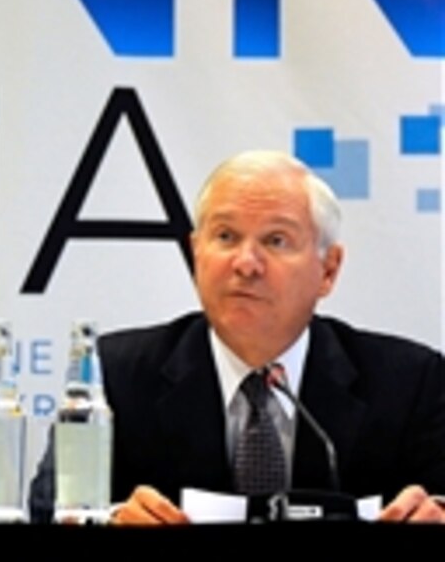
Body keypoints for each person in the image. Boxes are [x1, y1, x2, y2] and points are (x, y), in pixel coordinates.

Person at [28, 150, 445, 523]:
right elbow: (48, 508)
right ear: (196, 253)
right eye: (225, 236)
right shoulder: (118, 374)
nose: (246, 263)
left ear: (329, 270)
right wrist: (112, 519)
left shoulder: (410, 381)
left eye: (276, 240)